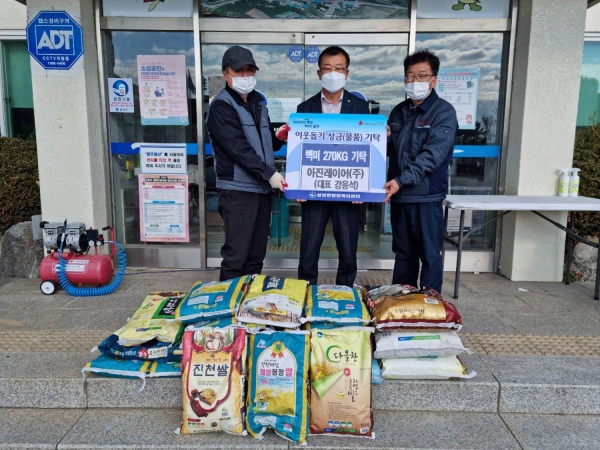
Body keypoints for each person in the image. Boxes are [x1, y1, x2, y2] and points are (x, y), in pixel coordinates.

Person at [206, 45, 287, 281]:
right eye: (239, 72)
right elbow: (238, 149)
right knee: (236, 256)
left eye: (249, 71)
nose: (245, 77)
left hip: (261, 191)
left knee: (255, 255)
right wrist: (270, 174)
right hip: (238, 192)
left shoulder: (257, 105)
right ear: (226, 74)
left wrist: (277, 137)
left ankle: (248, 304)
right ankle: (228, 307)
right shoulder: (221, 107)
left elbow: (263, 144)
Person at [384, 49, 458, 294]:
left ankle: (429, 306)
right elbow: (390, 151)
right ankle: (402, 305)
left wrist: (400, 180)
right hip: (401, 196)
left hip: (426, 197)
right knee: (404, 255)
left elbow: (432, 156)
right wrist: (378, 139)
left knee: (429, 255)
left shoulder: (443, 112)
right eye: (410, 76)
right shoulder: (398, 112)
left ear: (433, 80)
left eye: (421, 75)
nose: (415, 81)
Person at [296, 45, 370, 287]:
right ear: (319, 74)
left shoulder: (359, 107)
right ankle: (305, 292)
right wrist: (299, 185)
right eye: (327, 68)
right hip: (314, 191)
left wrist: (364, 188)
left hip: (348, 191)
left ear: (346, 73)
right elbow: (299, 150)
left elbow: (368, 148)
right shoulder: (304, 108)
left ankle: (345, 291)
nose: (333, 73)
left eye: (339, 68)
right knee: (309, 247)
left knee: (348, 249)